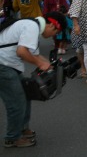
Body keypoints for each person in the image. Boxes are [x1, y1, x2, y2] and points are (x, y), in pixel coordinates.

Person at [0, 11, 67, 148]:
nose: (54, 36)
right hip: (3, 65)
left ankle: (22, 128)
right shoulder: (32, 26)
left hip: (8, 65)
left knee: (26, 94)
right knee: (16, 101)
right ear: (52, 25)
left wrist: (51, 66)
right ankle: (12, 138)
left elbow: (35, 55)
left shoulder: (32, 26)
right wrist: (41, 64)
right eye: (56, 32)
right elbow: (22, 52)